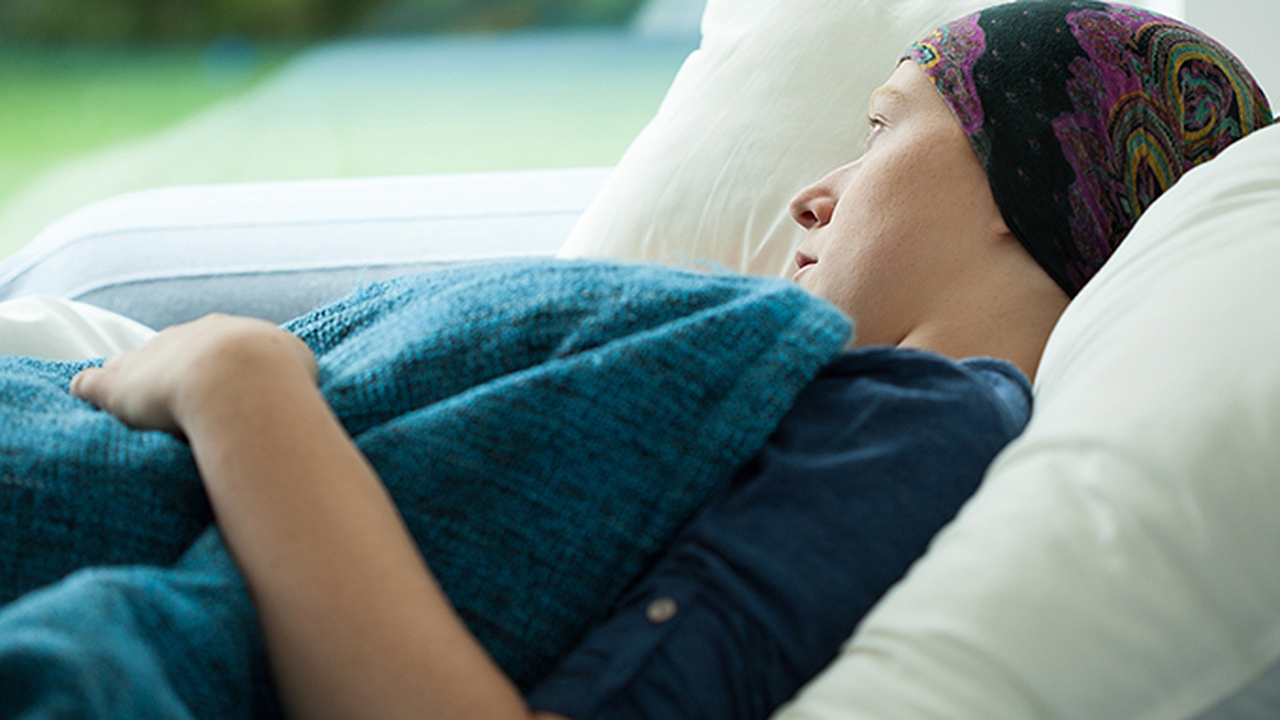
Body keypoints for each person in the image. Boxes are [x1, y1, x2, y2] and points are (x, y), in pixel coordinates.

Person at [1, 2, 1270, 718]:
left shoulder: (921, 432)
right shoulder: (849, 400)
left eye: (880, 131)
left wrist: (240, 387)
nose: (812, 193)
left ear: (1035, 177)